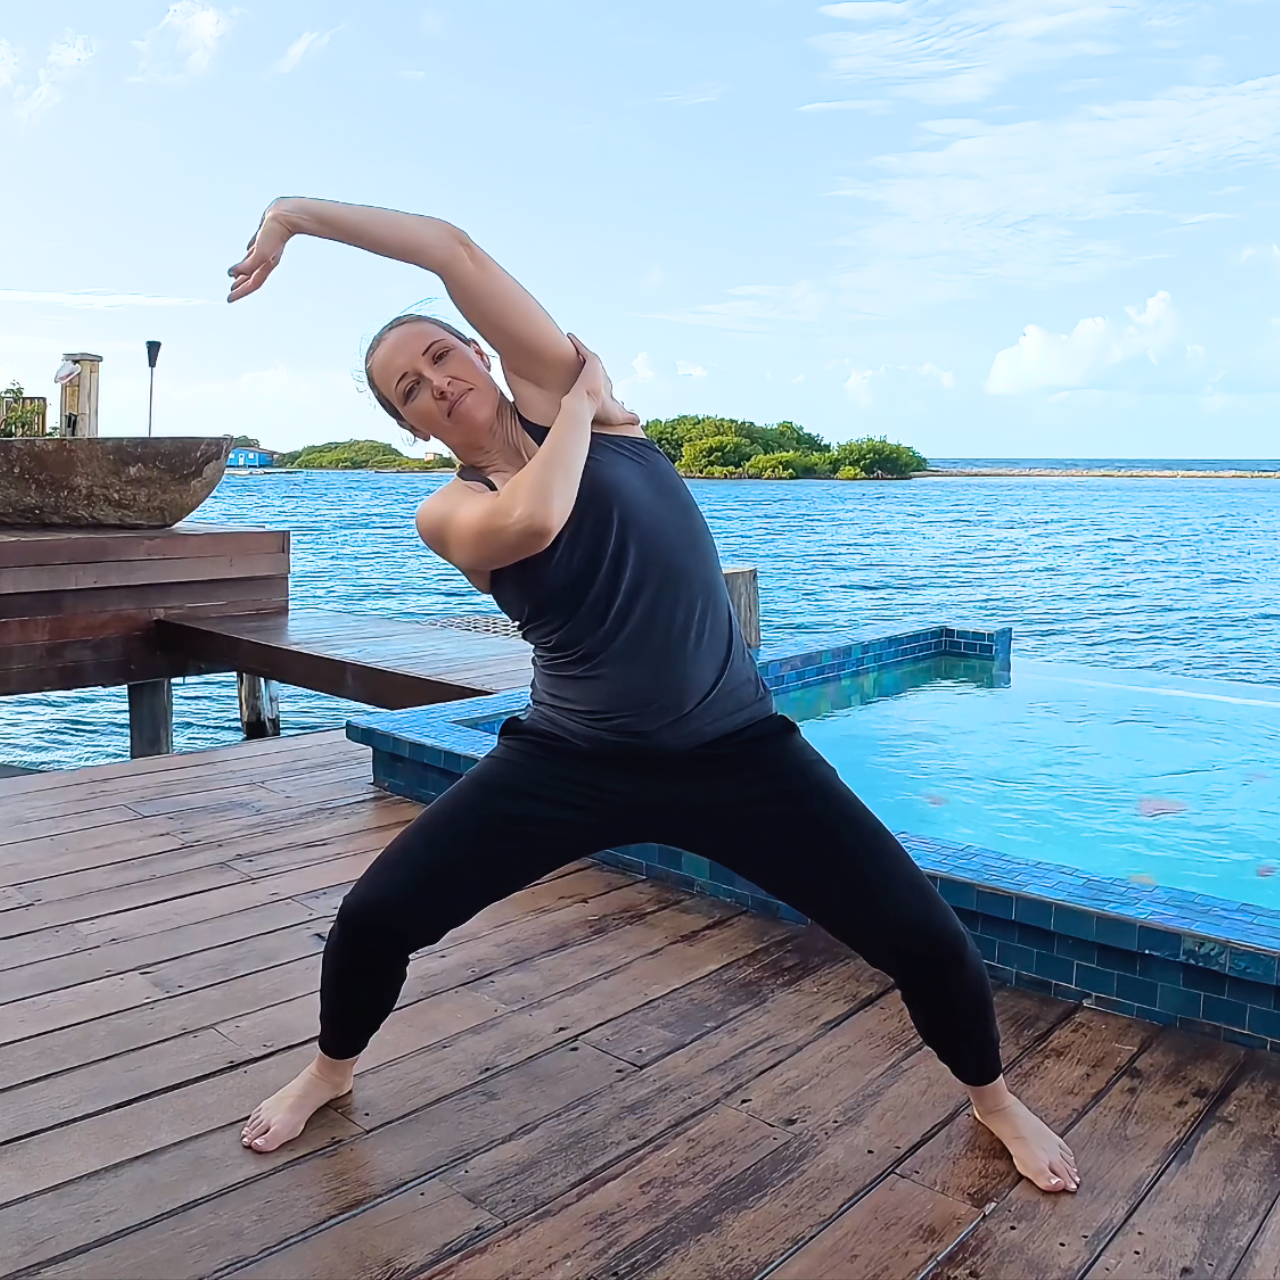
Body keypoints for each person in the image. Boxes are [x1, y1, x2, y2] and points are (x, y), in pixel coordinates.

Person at [230, 198, 1078, 1195]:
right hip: (568, 760)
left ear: (481, 350)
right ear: (411, 428)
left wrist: (293, 217)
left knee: (923, 936)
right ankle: (330, 1069)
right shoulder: (449, 506)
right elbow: (536, 515)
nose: (437, 383)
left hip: (737, 752)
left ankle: (992, 1099)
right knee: (374, 916)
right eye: (408, 390)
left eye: (439, 354)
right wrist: (588, 405)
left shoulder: (557, 388)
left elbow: (450, 248)